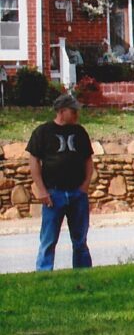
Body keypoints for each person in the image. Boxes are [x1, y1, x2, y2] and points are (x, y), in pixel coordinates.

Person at [27, 93, 94, 270]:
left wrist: (85, 185)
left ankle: (83, 273)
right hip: (53, 193)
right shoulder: (43, 132)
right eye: (73, 111)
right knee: (48, 240)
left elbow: (88, 159)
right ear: (62, 111)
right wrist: (41, 190)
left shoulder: (79, 132)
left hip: (77, 193)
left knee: (80, 240)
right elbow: (34, 160)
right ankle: (44, 274)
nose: (76, 115)